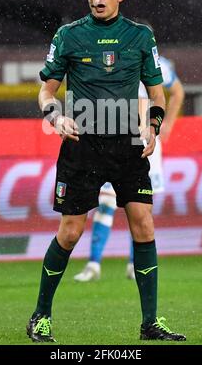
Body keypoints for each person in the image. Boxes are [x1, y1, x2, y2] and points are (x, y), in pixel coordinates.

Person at [26, 0, 186, 343]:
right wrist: (55, 115)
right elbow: (46, 92)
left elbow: (159, 95)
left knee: (144, 224)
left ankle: (150, 324)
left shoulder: (140, 36)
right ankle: (41, 316)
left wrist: (153, 125)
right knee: (70, 232)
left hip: (128, 144)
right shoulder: (68, 36)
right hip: (82, 144)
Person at [74, 59, 185, 282]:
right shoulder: (112, 59)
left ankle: (135, 265)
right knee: (105, 203)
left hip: (145, 142)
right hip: (115, 141)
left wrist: (168, 125)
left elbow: (177, 91)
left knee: (140, 209)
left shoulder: (158, 64)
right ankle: (94, 264)